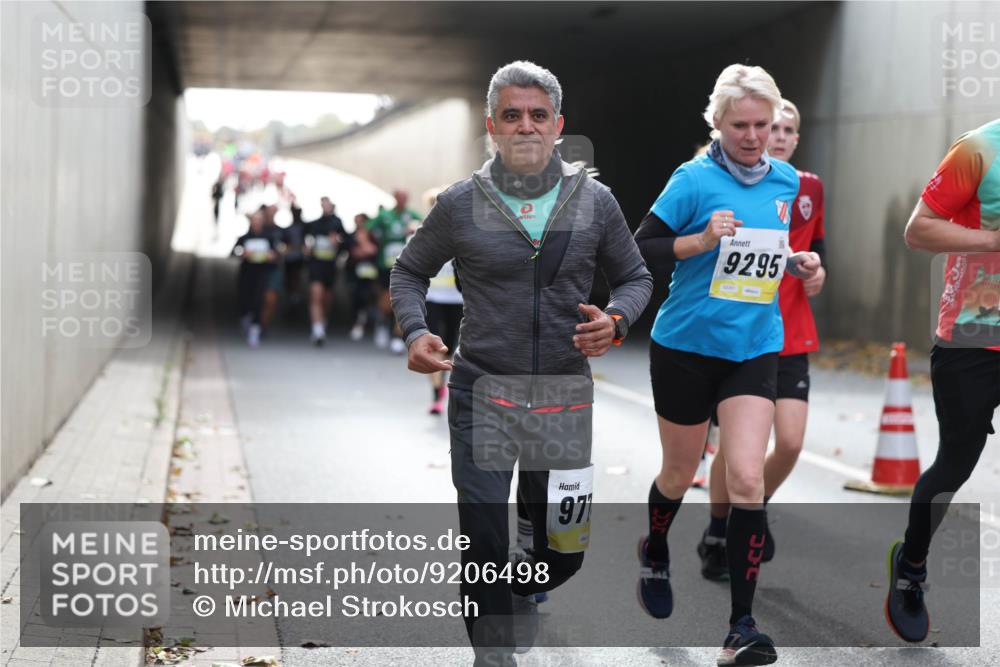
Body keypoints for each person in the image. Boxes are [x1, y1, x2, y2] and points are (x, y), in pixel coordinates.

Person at [391, 61, 652, 666]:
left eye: (538, 115)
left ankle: (525, 573)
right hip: (483, 391)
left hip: (562, 396)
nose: (526, 126)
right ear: (492, 127)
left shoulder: (595, 201)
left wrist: (616, 320)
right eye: (512, 115)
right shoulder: (460, 203)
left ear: (558, 125)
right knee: (483, 535)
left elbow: (636, 276)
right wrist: (416, 331)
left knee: (564, 552)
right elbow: (408, 271)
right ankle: (493, 654)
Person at [633, 64, 821, 666]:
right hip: (686, 346)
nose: (754, 136)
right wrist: (699, 240)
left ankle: (741, 627)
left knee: (745, 479)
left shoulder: (785, 180)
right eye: (740, 125)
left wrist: (800, 264)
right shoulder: (692, 179)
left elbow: (768, 249)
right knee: (678, 471)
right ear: (717, 122)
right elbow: (640, 248)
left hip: (755, 346)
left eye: (763, 124)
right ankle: (656, 546)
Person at [697, 99, 828, 580]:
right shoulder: (726, 181)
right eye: (774, 128)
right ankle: (718, 529)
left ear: (797, 138)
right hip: (742, 334)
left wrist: (817, 271)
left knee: (790, 443)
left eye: (789, 130)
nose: (780, 136)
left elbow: (816, 248)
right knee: (737, 448)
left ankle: (753, 507)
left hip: (791, 332)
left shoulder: (808, 186)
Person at [886, 118, 1000, 643]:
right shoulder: (978, 148)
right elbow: (919, 230)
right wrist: (992, 240)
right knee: (955, 465)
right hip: (972, 338)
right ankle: (911, 566)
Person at [369, 190, 421, 353]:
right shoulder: (384, 215)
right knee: (387, 300)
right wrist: (366, 245)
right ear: (395, 198)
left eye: (405, 198)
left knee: (402, 299)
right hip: (386, 264)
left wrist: (414, 229)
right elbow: (366, 228)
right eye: (400, 197)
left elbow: (426, 226)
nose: (403, 200)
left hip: (405, 265)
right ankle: (382, 322)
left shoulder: (412, 215)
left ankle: (397, 336)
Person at [305, 196, 349, 346]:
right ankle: (317, 329)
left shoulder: (337, 223)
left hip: (330, 265)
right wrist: (307, 249)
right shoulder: (314, 224)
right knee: (316, 294)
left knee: (327, 298)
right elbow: (306, 239)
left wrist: (338, 242)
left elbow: (348, 242)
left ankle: (322, 322)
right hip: (316, 264)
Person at [232, 210, 278, 347]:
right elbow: (234, 252)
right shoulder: (244, 238)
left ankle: (255, 331)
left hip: (262, 274)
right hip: (247, 274)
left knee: (259, 302)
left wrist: (272, 256)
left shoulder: (268, 237)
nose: (257, 222)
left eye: (259, 220)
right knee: (245, 301)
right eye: (254, 220)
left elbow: (277, 253)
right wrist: (243, 253)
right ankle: (246, 321)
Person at [348, 213, 379, 341]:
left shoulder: (373, 236)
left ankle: (373, 323)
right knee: (356, 298)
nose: (359, 225)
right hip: (355, 273)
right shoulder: (352, 236)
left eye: (361, 222)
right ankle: (357, 322)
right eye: (356, 222)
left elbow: (372, 250)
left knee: (369, 297)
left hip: (371, 274)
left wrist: (363, 241)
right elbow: (354, 253)